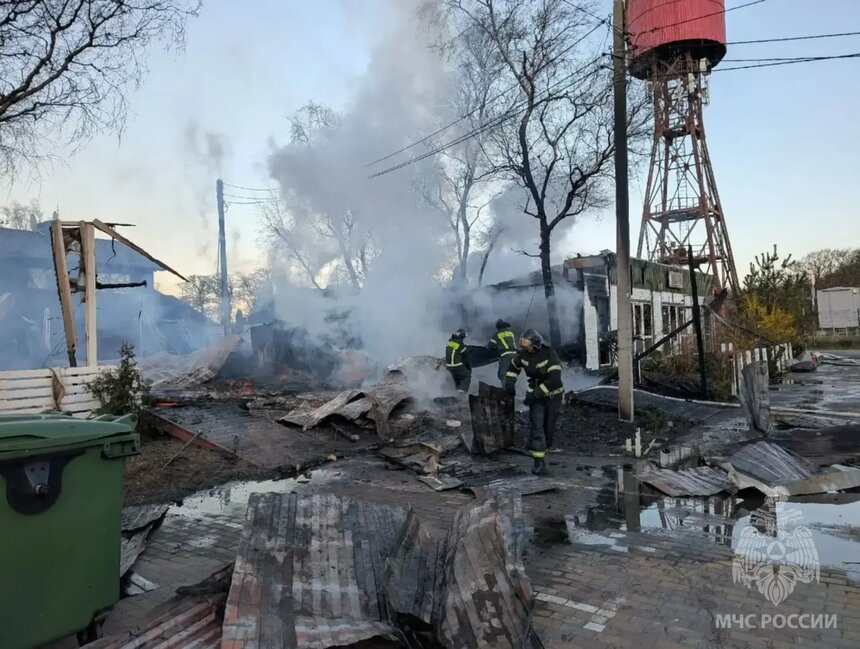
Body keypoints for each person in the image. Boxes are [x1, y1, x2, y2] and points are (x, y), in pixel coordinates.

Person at [504, 329, 564, 475]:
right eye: (522, 343)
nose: (524, 346)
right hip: (536, 398)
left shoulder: (549, 353)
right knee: (537, 427)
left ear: (535, 343)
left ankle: (542, 445)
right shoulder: (524, 355)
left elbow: (555, 380)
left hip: (553, 397)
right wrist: (510, 383)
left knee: (548, 430)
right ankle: (539, 463)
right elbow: (513, 367)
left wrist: (536, 394)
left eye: (526, 343)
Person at [487, 319, 517, 386]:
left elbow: (490, 346)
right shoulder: (511, 332)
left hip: (505, 356)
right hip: (515, 356)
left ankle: (506, 391)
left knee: (502, 374)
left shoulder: (497, 334)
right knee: (511, 373)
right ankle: (511, 388)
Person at [444, 328, 471, 393]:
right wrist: (469, 368)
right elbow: (466, 357)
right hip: (456, 365)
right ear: (462, 336)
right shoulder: (460, 345)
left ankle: (455, 393)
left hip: (448, 366)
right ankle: (461, 393)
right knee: (467, 376)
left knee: (456, 378)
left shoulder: (450, 342)